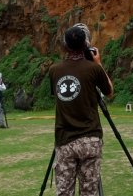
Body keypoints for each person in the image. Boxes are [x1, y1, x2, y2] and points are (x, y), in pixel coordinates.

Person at [48, 23, 113, 196]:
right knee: (89, 191)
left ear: (65, 46)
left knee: (64, 192)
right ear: (86, 44)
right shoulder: (93, 69)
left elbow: (59, 96)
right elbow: (109, 91)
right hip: (90, 139)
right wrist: (98, 64)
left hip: (65, 140)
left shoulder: (54, 70)